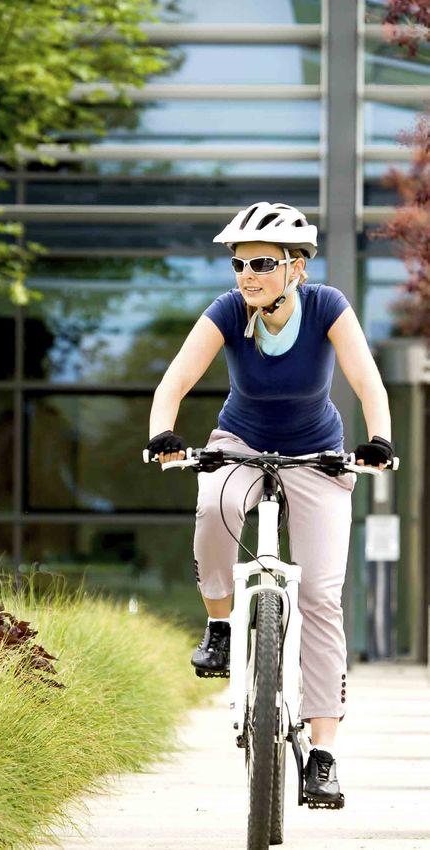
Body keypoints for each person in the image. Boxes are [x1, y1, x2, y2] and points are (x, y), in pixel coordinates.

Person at [144, 202, 393, 803]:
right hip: (240, 442)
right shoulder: (229, 310)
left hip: (316, 454)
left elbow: (367, 382)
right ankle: (220, 625)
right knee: (214, 506)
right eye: (239, 264)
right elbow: (175, 380)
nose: (247, 275)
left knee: (321, 596)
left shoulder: (327, 306)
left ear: (295, 267)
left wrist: (380, 440)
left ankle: (323, 754)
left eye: (261, 264)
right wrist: (162, 434)